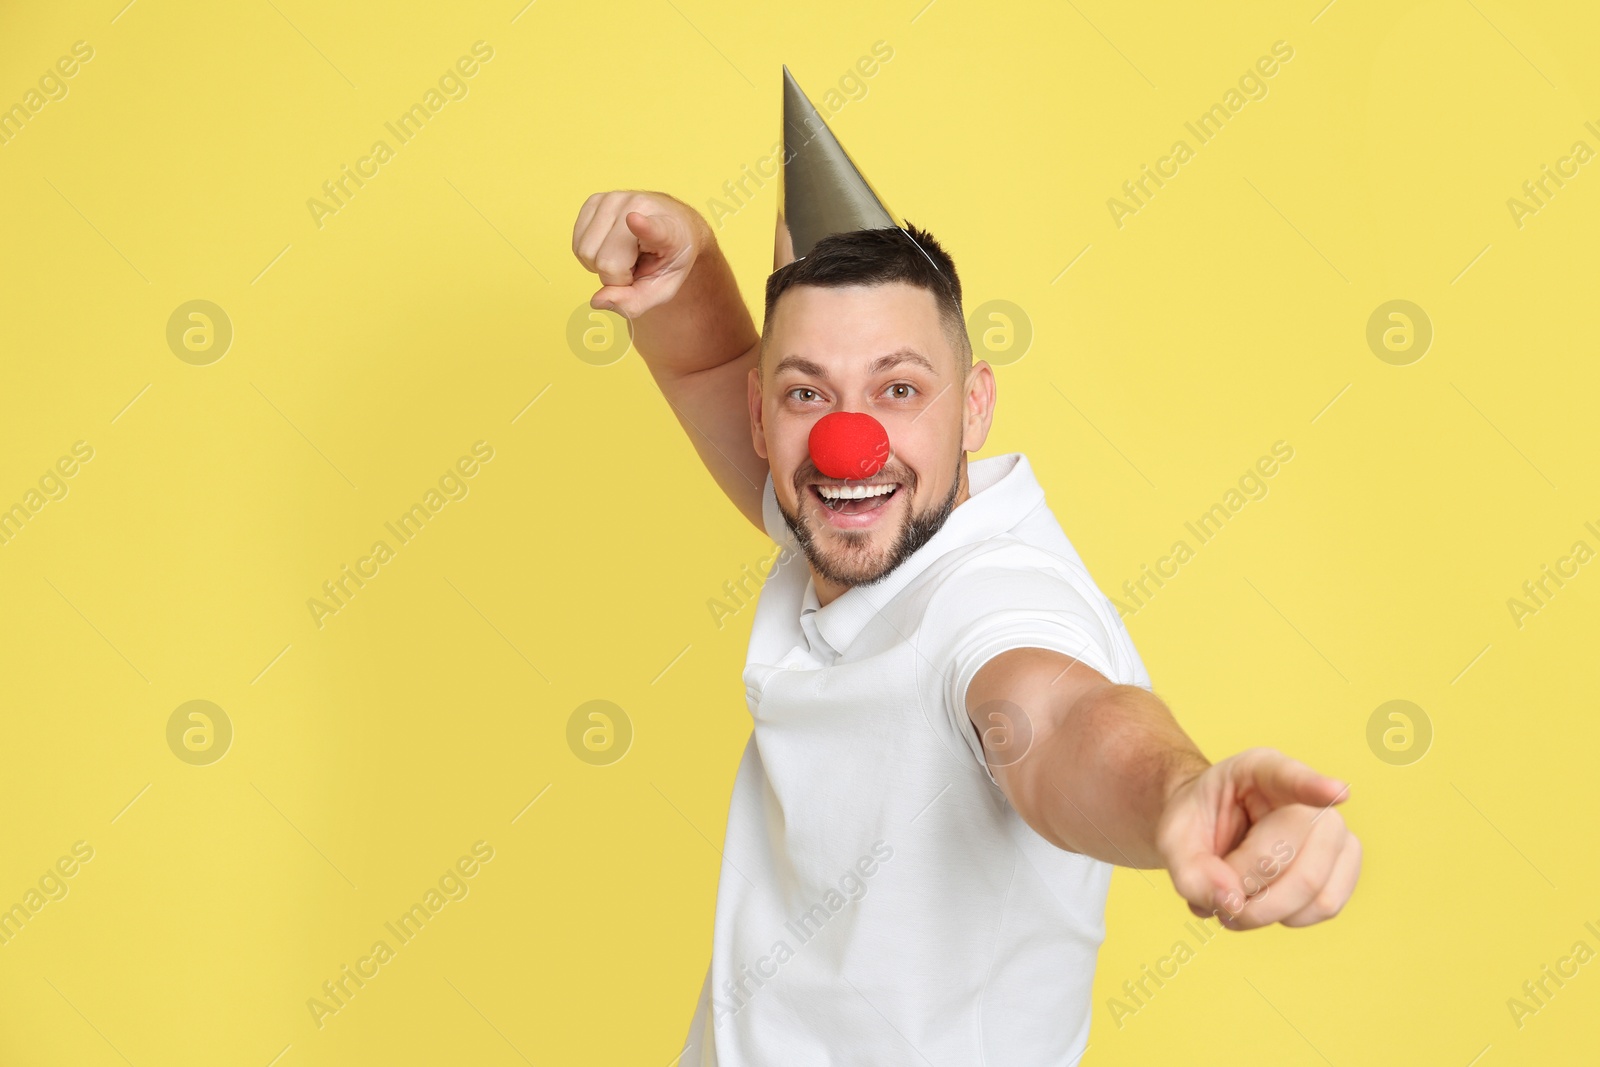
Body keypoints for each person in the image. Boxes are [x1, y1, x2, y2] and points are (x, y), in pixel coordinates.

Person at [570, 73, 1358, 1067]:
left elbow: (1059, 717)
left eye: (898, 386)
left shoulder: (993, 600)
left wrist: (1176, 792)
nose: (850, 438)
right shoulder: (854, 514)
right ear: (762, 419)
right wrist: (682, 272)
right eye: (809, 391)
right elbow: (702, 367)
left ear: (973, 407)